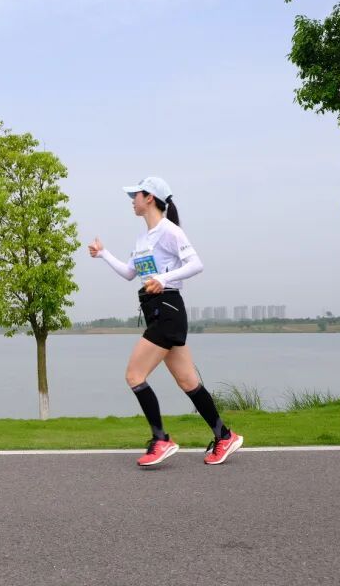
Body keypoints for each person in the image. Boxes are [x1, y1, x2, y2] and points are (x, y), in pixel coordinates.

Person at [89, 176, 243, 466]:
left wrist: (163, 278)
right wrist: (103, 254)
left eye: (135, 195)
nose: (132, 200)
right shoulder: (143, 239)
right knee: (188, 381)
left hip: (168, 310)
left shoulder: (170, 231)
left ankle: (161, 439)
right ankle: (224, 435)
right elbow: (130, 273)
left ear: (149, 198)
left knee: (135, 375)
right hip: (156, 311)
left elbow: (196, 264)